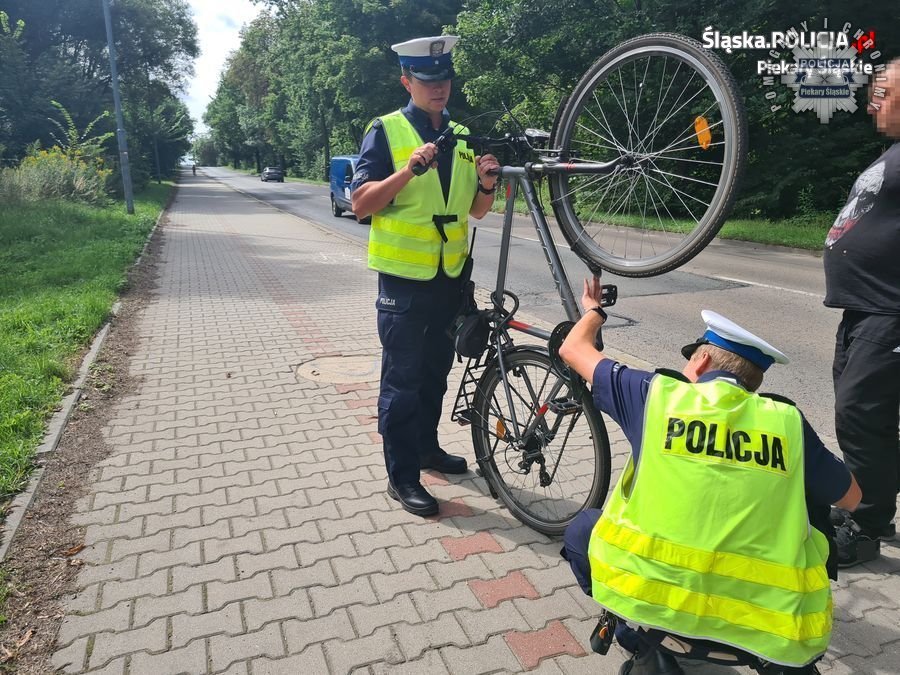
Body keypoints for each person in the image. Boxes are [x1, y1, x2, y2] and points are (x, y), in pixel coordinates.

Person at [558, 277, 861, 675]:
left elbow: (571, 348)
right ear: (755, 383)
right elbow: (852, 499)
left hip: (655, 598)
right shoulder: (786, 423)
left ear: (699, 363)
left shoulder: (657, 396)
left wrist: (595, 310)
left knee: (582, 530)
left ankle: (636, 635)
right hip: (770, 623)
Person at [350, 36, 500, 516]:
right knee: (403, 383)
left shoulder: (459, 136)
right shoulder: (387, 131)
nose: (440, 88)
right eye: (428, 80)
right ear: (407, 81)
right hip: (403, 285)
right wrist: (407, 172)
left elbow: (474, 211)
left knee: (436, 373)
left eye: (445, 79)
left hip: (449, 280)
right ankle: (402, 477)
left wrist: (489, 184)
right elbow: (360, 205)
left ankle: (427, 449)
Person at [824, 57, 900, 567]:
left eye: (885, 90)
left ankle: (866, 526)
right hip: (861, 307)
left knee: (859, 411)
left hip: (890, 309)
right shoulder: (891, 153)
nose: (873, 98)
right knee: (863, 416)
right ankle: (869, 505)